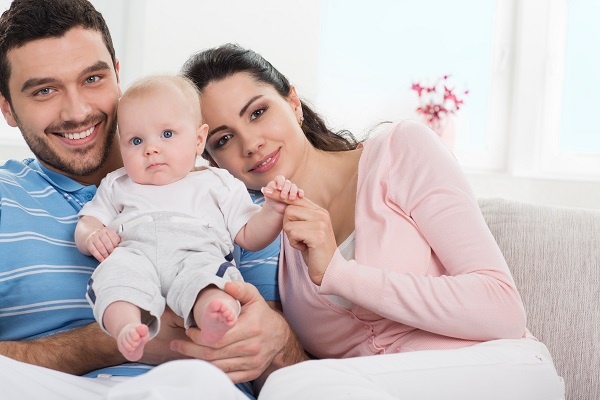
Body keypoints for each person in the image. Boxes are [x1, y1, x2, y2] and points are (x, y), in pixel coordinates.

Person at [180, 43, 566, 399]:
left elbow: (503, 310)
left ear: (293, 102)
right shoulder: (265, 243)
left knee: (293, 387)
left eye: (258, 112)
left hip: (502, 371)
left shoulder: (400, 150)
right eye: (224, 140)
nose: (250, 144)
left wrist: (339, 274)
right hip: (384, 390)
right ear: (213, 162)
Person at [0, 1, 289, 399]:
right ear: (7, 108)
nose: (77, 111)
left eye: (92, 79)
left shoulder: (225, 183)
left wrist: (279, 339)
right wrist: (99, 345)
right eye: (44, 90)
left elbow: (290, 366)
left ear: (117, 75)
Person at [75, 74, 301, 363]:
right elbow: (88, 221)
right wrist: (92, 235)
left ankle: (213, 316)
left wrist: (273, 210)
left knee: (210, 279)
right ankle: (127, 327)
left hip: (196, 253)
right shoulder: (117, 183)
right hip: (134, 253)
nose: (151, 149)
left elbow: (249, 234)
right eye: (136, 140)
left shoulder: (219, 182)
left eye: (167, 134)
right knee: (115, 276)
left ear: (198, 140)